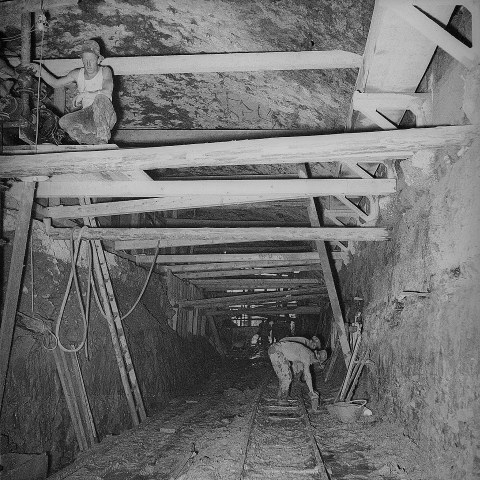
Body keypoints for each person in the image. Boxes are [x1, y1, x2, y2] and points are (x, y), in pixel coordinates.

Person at [29, 39, 116, 144]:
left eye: (92, 60)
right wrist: (40, 70)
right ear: (82, 60)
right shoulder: (77, 74)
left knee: (100, 98)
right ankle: (91, 141)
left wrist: (85, 94)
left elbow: (107, 91)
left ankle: (103, 139)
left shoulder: (105, 71)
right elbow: (56, 83)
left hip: (106, 117)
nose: (88, 64)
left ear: (98, 60)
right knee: (63, 122)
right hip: (89, 117)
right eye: (85, 60)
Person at [268, 336, 327, 404]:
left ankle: (280, 396)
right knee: (287, 377)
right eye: (316, 362)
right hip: (276, 351)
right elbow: (307, 375)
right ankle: (282, 399)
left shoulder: (307, 352)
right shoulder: (308, 356)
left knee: (285, 375)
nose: (313, 364)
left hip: (275, 349)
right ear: (317, 359)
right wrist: (311, 391)